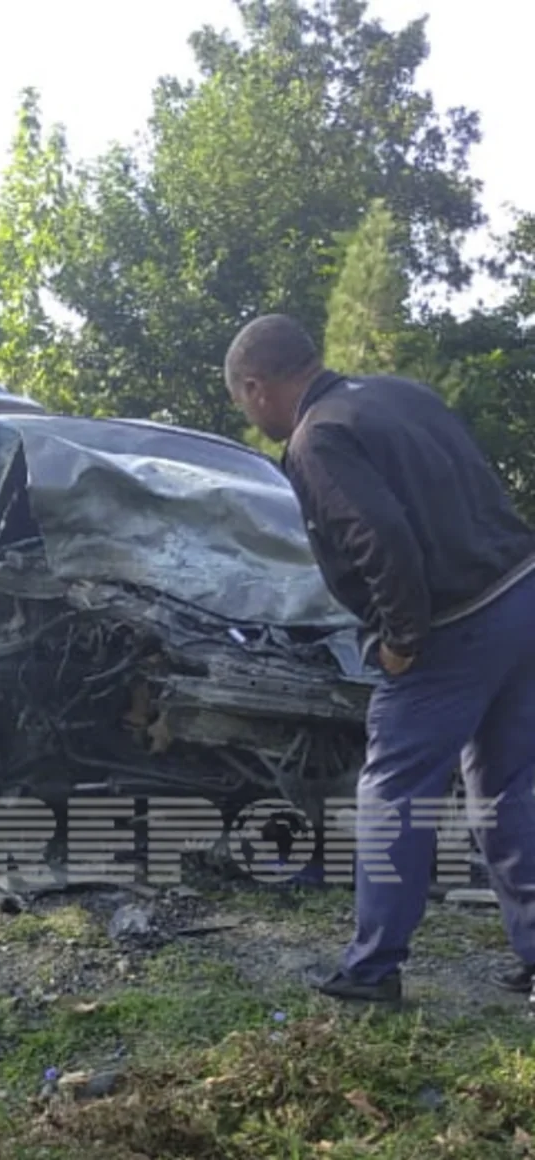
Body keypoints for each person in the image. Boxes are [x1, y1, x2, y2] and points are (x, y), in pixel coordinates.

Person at [224, 313, 535, 1003]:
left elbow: (382, 537)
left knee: (393, 792)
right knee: (505, 787)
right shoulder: (398, 394)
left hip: (453, 626)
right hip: (521, 595)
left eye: (244, 401)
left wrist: (401, 639)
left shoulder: (317, 438)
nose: (251, 414)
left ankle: (372, 969)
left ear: (256, 385)